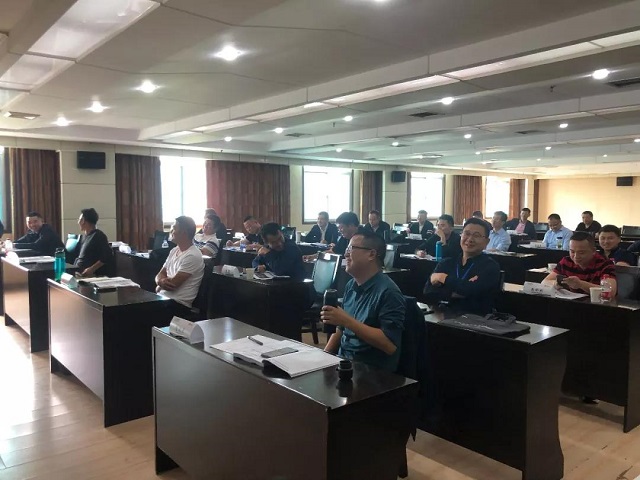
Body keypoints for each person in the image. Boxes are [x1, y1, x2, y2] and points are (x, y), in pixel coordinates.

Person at [321, 231, 405, 372]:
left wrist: (347, 321)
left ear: (371, 254)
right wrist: (324, 357)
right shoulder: (351, 285)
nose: (346, 254)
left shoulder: (389, 292)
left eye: (351, 249)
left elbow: (390, 345)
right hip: (344, 363)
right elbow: (340, 330)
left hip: (370, 371)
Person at [423, 218, 501, 315]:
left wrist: (443, 278)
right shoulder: (447, 262)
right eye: (467, 234)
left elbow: (472, 291)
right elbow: (428, 291)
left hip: (475, 320)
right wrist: (458, 292)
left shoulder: (490, 266)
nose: (470, 239)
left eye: (476, 235)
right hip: (442, 316)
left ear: (486, 242)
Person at [542, 232, 616, 296]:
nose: (576, 256)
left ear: (593, 251)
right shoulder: (566, 261)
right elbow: (545, 282)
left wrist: (580, 284)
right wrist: (556, 283)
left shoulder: (605, 264)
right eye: (572, 252)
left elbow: (610, 291)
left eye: (581, 252)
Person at [155, 216, 205, 311]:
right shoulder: (174, 250)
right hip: (164, 299)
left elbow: (172, 285)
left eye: (174, 228)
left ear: (184, 233)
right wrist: (159, 282)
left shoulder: (193, 255)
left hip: (178, 304)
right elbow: (160, 274)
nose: (171, 231)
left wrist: (159, 285)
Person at [73, 208, 112, 277]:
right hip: (78, 272)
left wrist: (91, 269)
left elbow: (107, 256)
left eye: (79, 220)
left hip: (90, 275)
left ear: (83, 221)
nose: (78, 222)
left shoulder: (98, 235)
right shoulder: (84, 237)